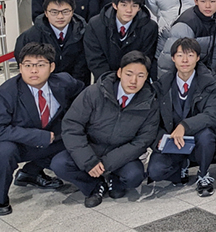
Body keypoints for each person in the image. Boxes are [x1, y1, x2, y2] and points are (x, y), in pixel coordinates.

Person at [52, 51, 159, 208]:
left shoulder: (150, 103)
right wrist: (89, 161)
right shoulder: (94, 92)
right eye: (129, 74)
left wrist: (106, 163)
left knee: (134, 176)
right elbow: (72, 124)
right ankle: (94, 186)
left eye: (140, 76)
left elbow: (142, 142)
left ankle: (114, 182)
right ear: (119, 72)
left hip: (120, 154)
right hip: (91, 147)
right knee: (60, 164)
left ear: (147, 77)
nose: (134, 80)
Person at [0, 43, 84, 216]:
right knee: (4, 151)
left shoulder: (64, 82)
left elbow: (83, 96)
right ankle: (1, 198)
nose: (34, 71)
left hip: (54, 137)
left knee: (80, 139)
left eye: (40, 65)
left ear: (51, 67)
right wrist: (37, 136)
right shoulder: (7, 92)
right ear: (20, 67)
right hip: (20, 142)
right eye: (28, 65)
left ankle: (30, 173)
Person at [147, 38, 216, 197]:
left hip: (199, 137)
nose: (185, 60)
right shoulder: (162, 84)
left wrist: (185, 126)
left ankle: (203, 175)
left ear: (198, 58)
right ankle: (183, 165)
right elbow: (152, 120)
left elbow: (214, 114)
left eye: (190, 55)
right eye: (180, 55)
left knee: (207, 135)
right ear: (173, 58)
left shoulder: (212, 82)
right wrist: (159, 139)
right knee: (155, 171)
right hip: (173, 140)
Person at [156, 0, 216, 81]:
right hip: (176, 66)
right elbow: (168, 61)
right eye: (203, 1)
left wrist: (212, 76)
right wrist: (164, 85)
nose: (208, 6)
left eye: (212, 1)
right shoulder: (186, 24)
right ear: (195, 1)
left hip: (199, 65)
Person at [84, 0, 159, 80]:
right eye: (124, 5)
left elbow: (145, 59)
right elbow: (95, 60)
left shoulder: (149, 27)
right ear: (114, 5)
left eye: (134, 6)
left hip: (135, 80)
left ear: (139, 8)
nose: (129, 10)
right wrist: (112, 81)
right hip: (104, 80)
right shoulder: (95, 25)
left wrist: (129, 80)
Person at [15, 0, 90, 85]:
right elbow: (24, 62)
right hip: (42, 85)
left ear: (72, 12)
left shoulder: (85, 32)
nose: (60, 16)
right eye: (54, 12)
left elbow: (85, 63)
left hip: (78, 85)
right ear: (46, 13)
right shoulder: (30, 36)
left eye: (65, 12)